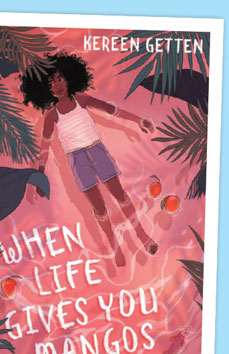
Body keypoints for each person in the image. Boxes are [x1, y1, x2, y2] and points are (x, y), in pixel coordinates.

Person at [19, 52, 159, 267]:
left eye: (60, 79)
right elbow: (44, 147)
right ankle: (115, 248)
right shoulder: (51, 116)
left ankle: (143, 237)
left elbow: (113, 111)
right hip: (77, 160)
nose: (57, 85)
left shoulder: (82, 100)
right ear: (44, 90)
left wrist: (138, 120)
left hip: (97, 151)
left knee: (120, 196)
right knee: (100, 209)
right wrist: (39, 174)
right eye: (51, 83)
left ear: (68, 78)